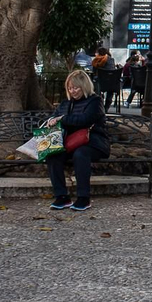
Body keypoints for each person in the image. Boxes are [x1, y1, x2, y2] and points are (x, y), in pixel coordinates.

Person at [42, 69, 108, 211]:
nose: (73, 91)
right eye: (70, 88)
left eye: (76, 87)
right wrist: (52, 121)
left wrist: (63, 119)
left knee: (81, 154)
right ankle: (61, 196)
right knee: (53, 154)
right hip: (69, 143)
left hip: (93, 142)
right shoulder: (66, 103)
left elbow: (85, 120)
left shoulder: (95, 101)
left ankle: (83, 198)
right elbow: (55, 116)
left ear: (84, 86)